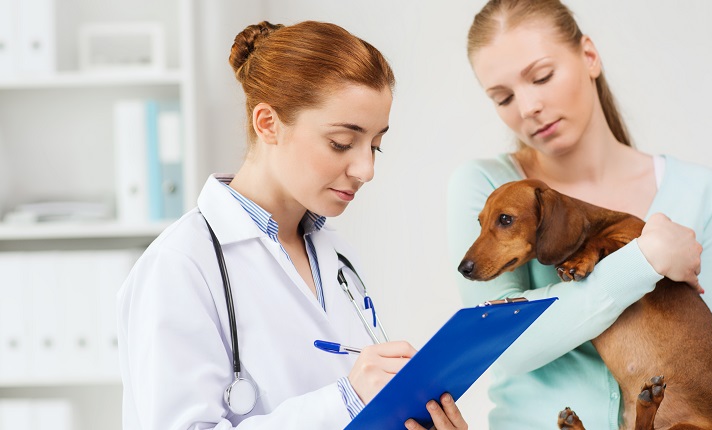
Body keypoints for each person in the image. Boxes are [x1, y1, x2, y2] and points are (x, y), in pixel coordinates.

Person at [118, 20, 468, 430]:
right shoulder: (180, 265)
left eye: (375, 145)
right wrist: (345, 401)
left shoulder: (335, 256)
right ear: (267, 123)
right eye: (341, 142)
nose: (366, 169)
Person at [446, 0, 712, 428]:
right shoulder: (488, 187)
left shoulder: (699, 190)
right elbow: (502, 342)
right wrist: (643, 261)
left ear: (589, 56)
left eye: (542, 76)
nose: (527, 107)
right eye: (503, 97)